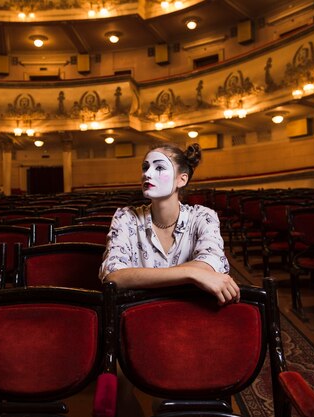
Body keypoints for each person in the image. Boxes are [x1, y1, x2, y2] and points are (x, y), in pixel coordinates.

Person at [99, 142, 239, 417]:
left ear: (181, 179)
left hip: (191, 325)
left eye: (159, 167)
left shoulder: (204, 216)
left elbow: (211, 264)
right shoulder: (126, 217)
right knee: (116, 390)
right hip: (136, 326)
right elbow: (112, 275)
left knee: (168, 401)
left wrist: (199, 271)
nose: (147, 173)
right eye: (144, 167)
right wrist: (189, 272)